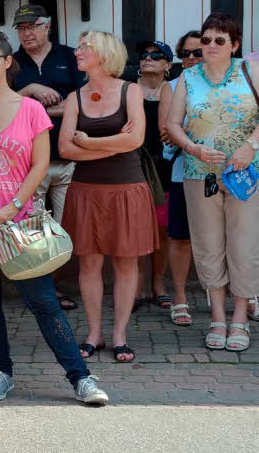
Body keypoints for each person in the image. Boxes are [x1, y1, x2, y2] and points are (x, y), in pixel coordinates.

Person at [0, 32, 107, 404]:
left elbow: (41, 164)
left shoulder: (30, 109)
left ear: (8, 60)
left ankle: (81, 377)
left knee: (44, 303)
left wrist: (13, 205)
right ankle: (1, 371)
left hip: (21, 224)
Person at [58, 31, 158, 363]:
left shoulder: (131, 91)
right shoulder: (75, 97)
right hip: (86, 191)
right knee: (89, 263)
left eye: (85, 46)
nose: (78, 51)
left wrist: (89, 143)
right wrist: (112, 143)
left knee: (126, 262)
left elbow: (136, 141)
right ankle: (94, 333)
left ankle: (119, 335)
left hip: (126, 189)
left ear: (104, 53)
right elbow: (64, 148)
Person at [166, 13, 259, 352]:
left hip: (246, 175)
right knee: (208, 245)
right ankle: (217, 317)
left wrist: (251, 147)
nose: (210, 46)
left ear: (235, 45)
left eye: (220, 40)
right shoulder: (189, 78)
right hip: (199, 173)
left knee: (244, 244)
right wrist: (191, 146)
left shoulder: (250, 71)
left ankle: (240, 319)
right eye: (206, 40)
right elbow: (173, 124)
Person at [12, 4, 84, 311]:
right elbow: (7, 107)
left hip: (68, 159)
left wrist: (36, 109)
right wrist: (29, 88)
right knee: (34, 229)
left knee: (69, 226)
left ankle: (64, 284)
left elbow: (80, 103)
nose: (26, 33)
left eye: (32, 26)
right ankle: (45, 291)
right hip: (30, 163)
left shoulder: (70, 57)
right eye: (21, 28)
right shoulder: (12, 64)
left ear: (47, 26)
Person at [158, 31, 202, 325]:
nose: (190, 58)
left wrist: (183, 130)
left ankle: (239, 294)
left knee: (229, 236)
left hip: (224, 171)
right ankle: (181, 296)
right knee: (181, 236)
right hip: (183, 172)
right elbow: (166, 134)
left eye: (196, 52)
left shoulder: (230, 84)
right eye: (184, 53)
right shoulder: (172, 86)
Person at [135, 40, 175, 310]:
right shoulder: (128, 89)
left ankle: (158, 285)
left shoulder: (174, 90)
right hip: (133, 164)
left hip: (165, 166)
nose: (148, 58)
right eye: (144, 55)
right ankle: (136, 288)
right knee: (135, 229)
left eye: (156, 55)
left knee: (162, 229)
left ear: (167, 64)